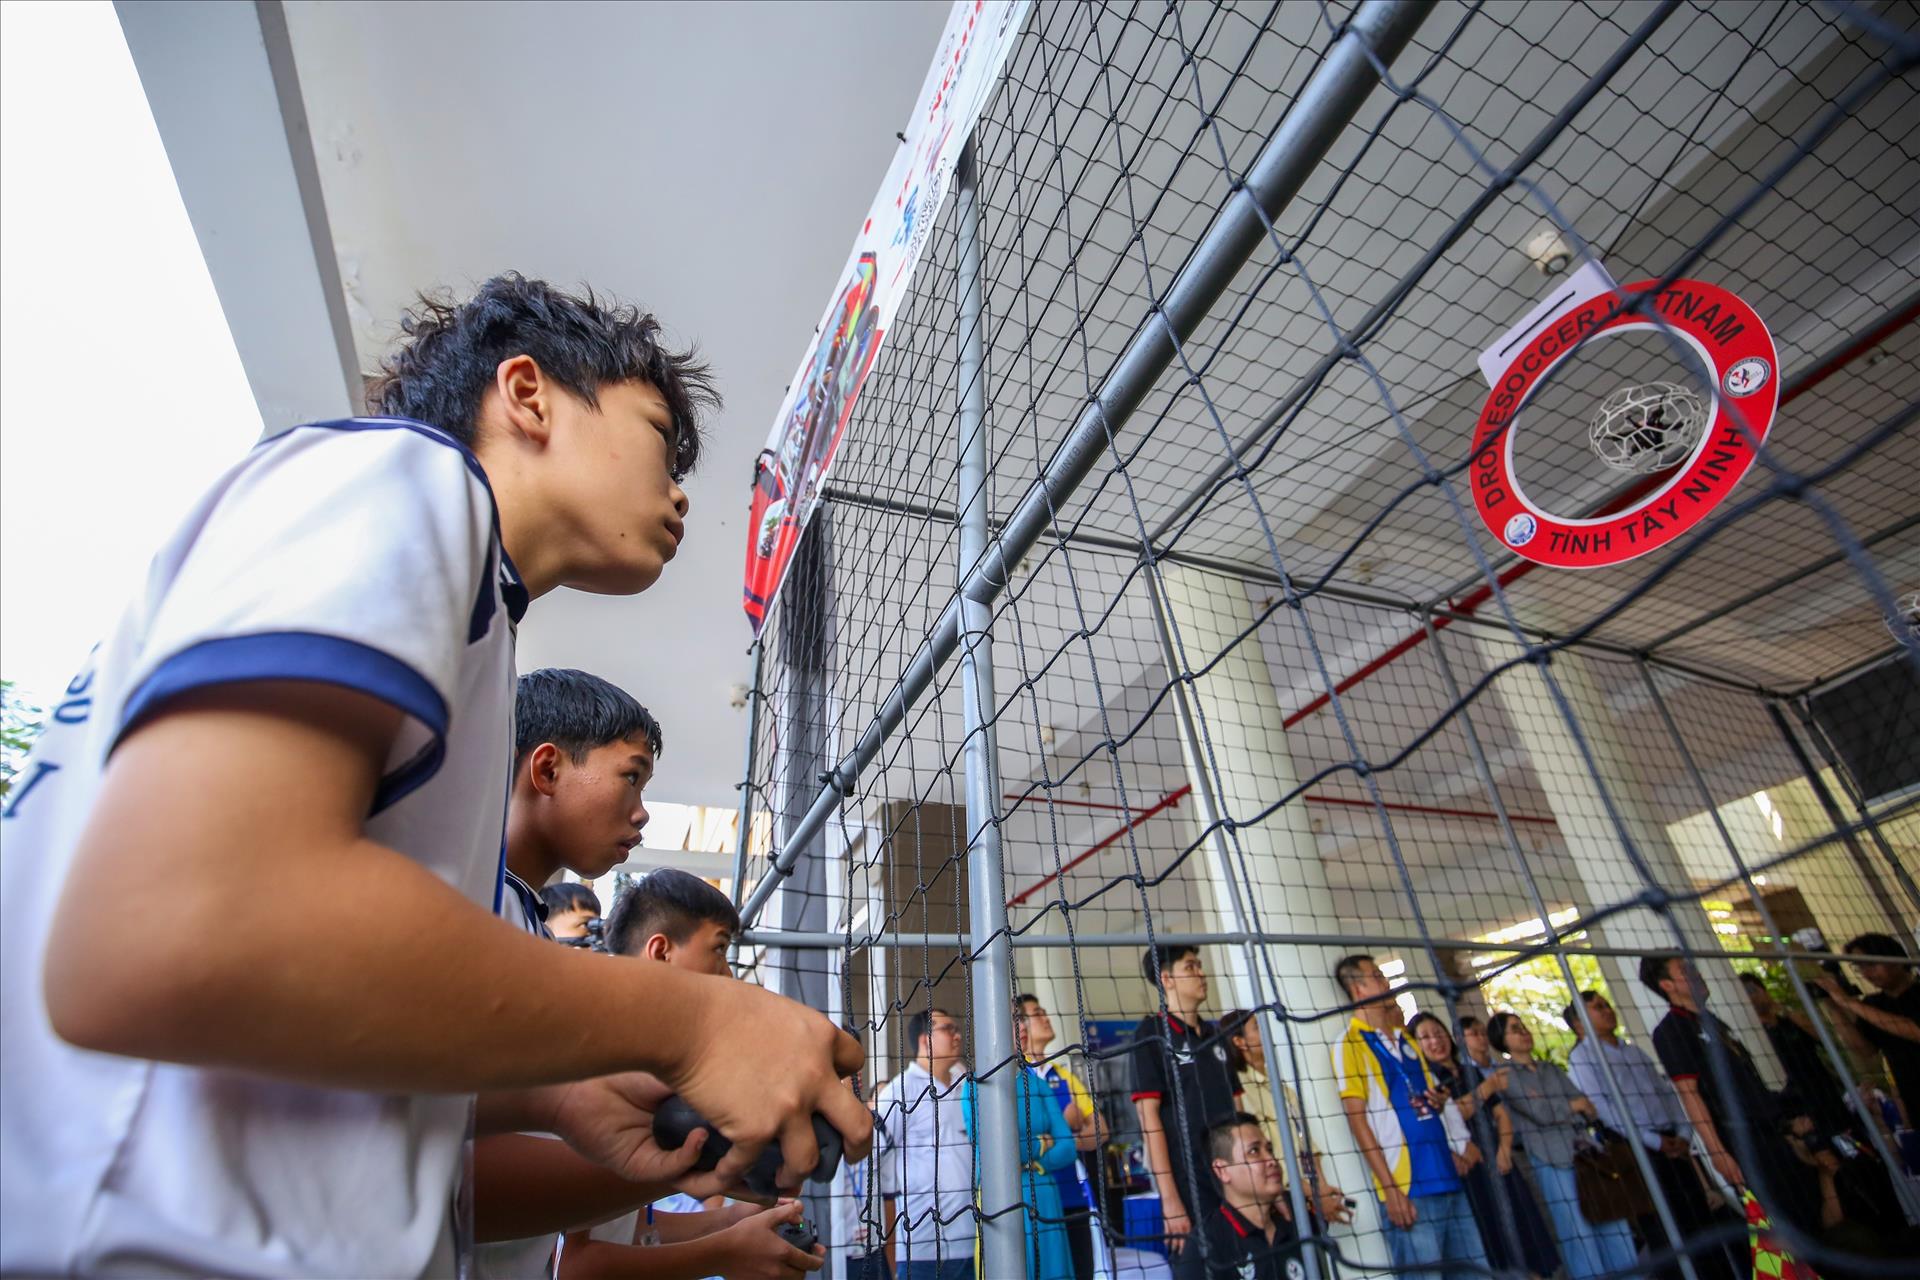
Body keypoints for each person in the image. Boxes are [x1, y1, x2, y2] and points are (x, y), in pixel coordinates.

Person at [0, 274, 870, 1278]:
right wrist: (692, 1020)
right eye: (658, 437)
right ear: (529, 394)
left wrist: (551, 1093)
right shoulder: (404, 478)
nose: (679, 493)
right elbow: (170, 924)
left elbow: (332, 1094)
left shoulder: (479, 632)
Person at [555, 868, 821, 1280]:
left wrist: (732, 1220)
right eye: (719, 948)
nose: (727, 973)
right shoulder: (604, 1065)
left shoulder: (648, 1060)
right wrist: (724, 1252)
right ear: (662, 952)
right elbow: (573, 1265)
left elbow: (632, 1232)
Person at [1640, 953, 1825, 1238]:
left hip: (1771, 1135)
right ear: (1667, 985)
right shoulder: (1672, 1030)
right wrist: (1718, 1153)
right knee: (1782, 1229)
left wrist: (1786, 1124)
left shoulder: (1713, 1021)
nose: (1695, 972)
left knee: (1808, 1214)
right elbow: (1689, 1095)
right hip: (1742, 1142)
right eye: (1684, 970)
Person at [1330, 956, 1486, 1279]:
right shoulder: (1349, 1044)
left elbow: (1433, 1101)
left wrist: (1453, 1139)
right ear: (1358, 989)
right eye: (1377, 976)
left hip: (1448, 1178)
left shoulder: (1408, 1040)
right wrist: (1390, 1190)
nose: (1386, 983)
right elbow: (1357, 1120)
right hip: (1409, 1189)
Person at [1564, 990, 1735, 1280]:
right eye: (1597, 1008)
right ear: (1579, 1024)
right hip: (1636, 1151)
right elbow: (1603, 1109)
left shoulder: (1633, 1051)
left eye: (1606, 1004)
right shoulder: (1582, 1059)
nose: (1607, 1010)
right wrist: (1653, 1141)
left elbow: (1665, 1092)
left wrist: (1683, 1132)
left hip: (1675, 1144)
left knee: (1699, 1219)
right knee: (1664, 1228)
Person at [1484, 1011, 1637, 1279]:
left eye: (1523, 1026)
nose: (1523, 1032)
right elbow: (1541, 1112)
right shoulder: (1505, 1076)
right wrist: (1571, 1106)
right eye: (1514, 1029)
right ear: (1501, 1040)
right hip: (1550, 1159)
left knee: (1613, 1222)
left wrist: (1567, 1107)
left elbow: (1587, 1107)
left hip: (1586, 1154)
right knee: (1578, 1234)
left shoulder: (1550, 1069)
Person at [1408, 1013, 1557, 1280]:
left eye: (1439, 1033)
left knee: (1524, 1227)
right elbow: (1455, 1112)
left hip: (1500, 1161)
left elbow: (1501, 1114)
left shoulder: (1470, 1071)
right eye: (1425, 1037)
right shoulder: (1427, 1080)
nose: (1435, 1041)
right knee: (1492, 1237)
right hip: (1470, 1170)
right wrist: (1486, 1087)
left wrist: (1504, 1150)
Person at [1130, 945, 1243, 1278]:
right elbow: (1149, 1120)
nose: (1201, 974)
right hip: (1190, 1183)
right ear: (1167, 979)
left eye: (1200, 966)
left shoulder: (1216, 1036)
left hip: (1234, 1178)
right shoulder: (1151, 1035)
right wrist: (1170, 1200)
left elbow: (1238, 1108)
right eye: (1191, 967)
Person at [961, 1034, 1076, 1280]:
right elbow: (993, 1149)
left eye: (1019, 1018)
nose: (1019, 1026)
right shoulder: (972, 1086)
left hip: (1044, 1195)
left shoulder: (1038, 1085)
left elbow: (1068, 1148)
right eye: (1012, 1018)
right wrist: (1041, 1143)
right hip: (1000, 1197)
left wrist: (1031, 1160)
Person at [1223, 1009, 1351, 1229]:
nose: (1266, 1033)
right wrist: (1314, 1193)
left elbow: (1307, 1144)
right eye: (1257, 1028)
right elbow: (1267, 1156)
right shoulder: (1240, 1091)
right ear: (1239, 1042)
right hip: (1278, 1201)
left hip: (1310, 1199)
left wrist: (1321, 1189)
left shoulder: (1283, 1090)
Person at [875, 1007, 976, 1280]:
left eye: (957, 1029)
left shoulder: (967, 1085)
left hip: (975, 1242)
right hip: (923, 1249)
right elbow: (875, 1162)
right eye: (948, 1029)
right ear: (924, 1040)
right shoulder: (899, 1092)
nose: (957, 1036)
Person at [1015, 994, 1105, 1280]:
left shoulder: (1063, 1075)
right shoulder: (1014, 1075)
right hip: (1034, 1199)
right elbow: (1016, 1143)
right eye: (1037, 1013)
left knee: (1082, 1271)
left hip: (1073, 1195)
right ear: (1020, 1025)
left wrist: (1060, 1140)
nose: (1046, 1017)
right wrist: (1067, 1128)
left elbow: (1101, 1131)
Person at [1739, 972, 1854, 1140]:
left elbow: (1825, 1040)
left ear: (1763, 990)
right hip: (1795, 1102)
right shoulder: (1756, 1036)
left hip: (1824, 1091)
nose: (1752, 997)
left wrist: (1785, 1011)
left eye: (1752, 990)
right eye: (1745, 994)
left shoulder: (1789, 1019)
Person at [1197, 1115, 1306, 1280]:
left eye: (1269, 1149)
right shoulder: (1205, 1246)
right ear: (1222, 1170)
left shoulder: (1298, 1219)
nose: (1271, 1160)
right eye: (1254, 1151)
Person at [1833, 933, 1920, 1129]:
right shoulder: (1873, 1004)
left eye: (1870, 964)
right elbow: (1865, 1050)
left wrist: (1851, 1003)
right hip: (1913, 1099)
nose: (1867, 973)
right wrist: (1834, 1007)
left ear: (1894, 959)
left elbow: (1915, 1031)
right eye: (1860, 967)